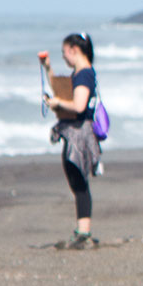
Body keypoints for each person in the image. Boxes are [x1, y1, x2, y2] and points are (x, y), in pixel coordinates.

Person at [38, 32, 101, 250]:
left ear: (74, 50)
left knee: (79, 182)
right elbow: (61, 89)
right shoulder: (82, 73)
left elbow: (79, 105)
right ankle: (82, 231)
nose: (64, 57)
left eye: (64, 52)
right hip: (78, 133)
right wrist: (48, 69)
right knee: (78, 182)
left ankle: (84, 233)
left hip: (79, 135)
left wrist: (57, 102)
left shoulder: (83, 75)